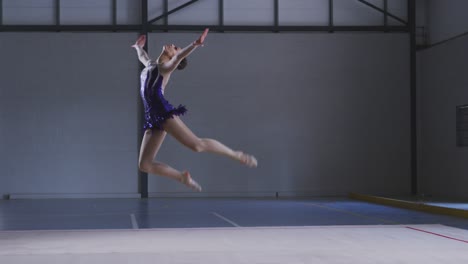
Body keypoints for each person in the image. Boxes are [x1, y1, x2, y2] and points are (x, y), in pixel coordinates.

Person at [132, 29, 257, 192]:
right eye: (175, 46)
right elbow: (143, 57)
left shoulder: (165, 68)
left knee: (197, 145)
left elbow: (178, 58)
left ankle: (236, 154)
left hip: (163, 113)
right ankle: (181, 177)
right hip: (151, 117)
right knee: (145, 165)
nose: (173, 46)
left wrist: (194, 45)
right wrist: (137, 47)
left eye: (175, 48)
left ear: (171, 56)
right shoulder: (151, 65)